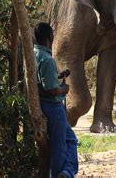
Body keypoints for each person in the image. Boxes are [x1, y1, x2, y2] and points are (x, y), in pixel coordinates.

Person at [34, 22, 78, 178]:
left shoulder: (33, 54)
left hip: (42, 104)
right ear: (50, 37)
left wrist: (58, 76)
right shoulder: (47, 59)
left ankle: (65, 172)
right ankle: (64, 173)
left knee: (67, 140)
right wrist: (64, 89)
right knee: (61, 145)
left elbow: (40, 80)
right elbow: (51, 90)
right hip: (52, 106)